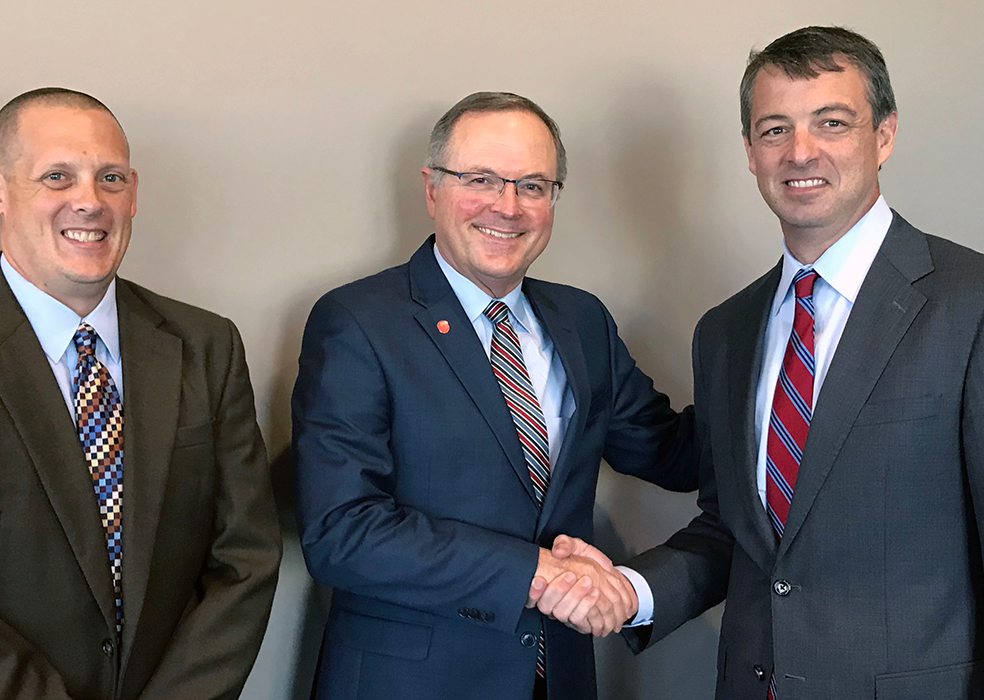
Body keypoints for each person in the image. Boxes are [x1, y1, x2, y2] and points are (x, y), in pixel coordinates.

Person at [539, 25, 984, 699]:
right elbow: (736, 535)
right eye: (774, 129)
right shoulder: (727, 331)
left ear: (884, 135)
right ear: (749, 150)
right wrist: (631, 590)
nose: (800, 151)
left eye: (831, 122)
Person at [0, 88, 282, 700]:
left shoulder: (206, 346)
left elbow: (244, 560)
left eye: (110, 178)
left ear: (134, 193)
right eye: (57, 176)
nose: (89, 202)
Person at [291, 91, 694, 700]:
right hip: (408, 682)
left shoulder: (582, 320)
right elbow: (343, 532)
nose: (507, 207)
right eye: (480, 179)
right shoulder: (358, 321)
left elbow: (671, 452)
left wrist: (777, 366)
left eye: (533, 185)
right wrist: (535, 573)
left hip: (558, 676)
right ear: (432, 189)